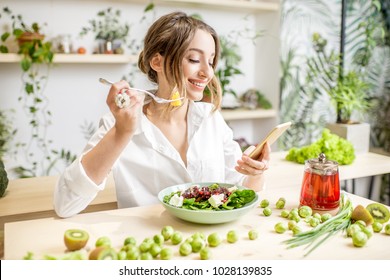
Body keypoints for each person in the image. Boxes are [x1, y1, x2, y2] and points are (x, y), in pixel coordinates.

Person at [54, 11, 271, 218]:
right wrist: (122, 133)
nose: (207, 72)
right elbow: (65, 204)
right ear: (157, 61)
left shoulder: (210, 118)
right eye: (194, 59)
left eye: (211, 60)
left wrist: (255, 172)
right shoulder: (120, 123)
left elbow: (240, 192)